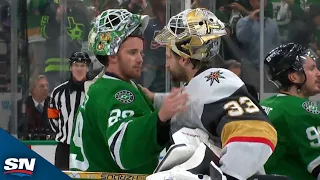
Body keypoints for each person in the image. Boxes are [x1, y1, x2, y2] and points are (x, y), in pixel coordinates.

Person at [142, 8, 277, 180]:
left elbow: (258, 131)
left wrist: (227, 175)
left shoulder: (215, 82)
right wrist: (153, 98)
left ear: (183, 59)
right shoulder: (203, 85)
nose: (166, 64)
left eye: (168, 57)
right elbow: (192, 102)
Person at [69, 9, 188, 174]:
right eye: (132, 53)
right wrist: (160, 119)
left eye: (141, 52)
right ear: (111, 55)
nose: (140, 59)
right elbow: (125, 151)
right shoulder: (117, 92)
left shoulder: (103, 87)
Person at [261, 43, 320, 180]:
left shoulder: (266, 104)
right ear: (294, 77)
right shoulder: (301, 110)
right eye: (312, 69)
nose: (318, 73)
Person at [48, 51, 91, 170]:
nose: (79, 68)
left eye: (82, 65)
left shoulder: (95, 90)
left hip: (89, 148)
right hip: (64, 148)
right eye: (76, 65)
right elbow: (52, 117)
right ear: (70, 67)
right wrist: (64, 133)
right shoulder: (58, 92)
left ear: (87, 68)